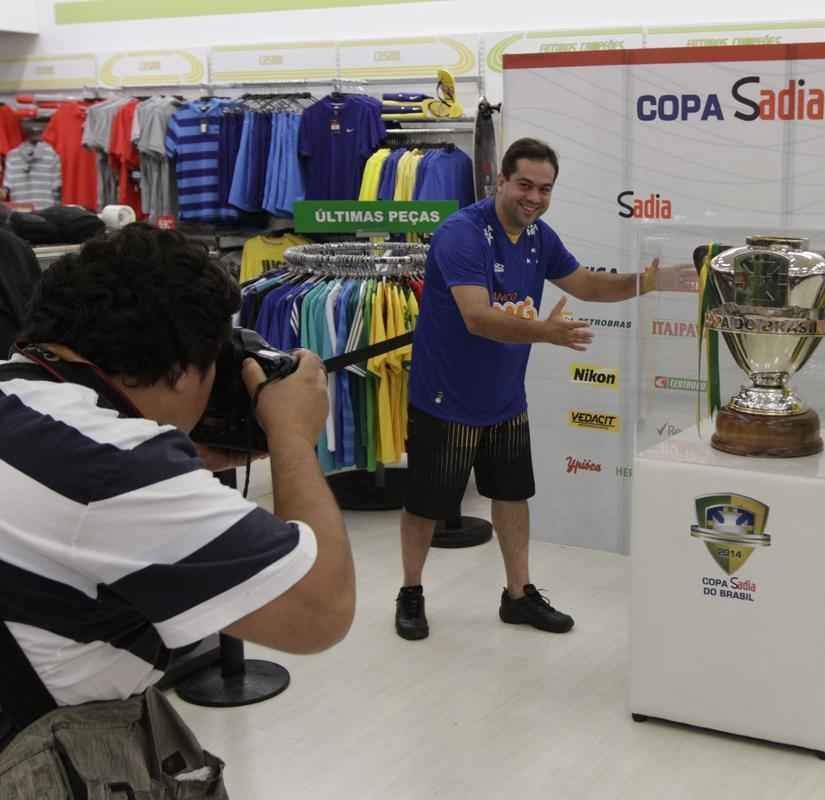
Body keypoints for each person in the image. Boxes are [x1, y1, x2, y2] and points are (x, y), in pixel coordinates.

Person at [0, 224, 354, 795]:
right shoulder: (112, 466)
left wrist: (178, 459)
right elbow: (319, 611)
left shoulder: (24, 406)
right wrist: (291, 435)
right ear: (186, 368)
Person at [397, 137, 659, 640]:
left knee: (513, 496)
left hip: (505, 399)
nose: (534, 197)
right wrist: (547, 332)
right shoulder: (461, 233)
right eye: (524, 185)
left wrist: (645, 283)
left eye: (545, 188)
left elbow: (586, 284)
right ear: (500, 181)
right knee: (426, 504)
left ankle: (518, 595)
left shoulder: (539, 235)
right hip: (446, 397)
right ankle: (411, 591)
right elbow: (477, 318)